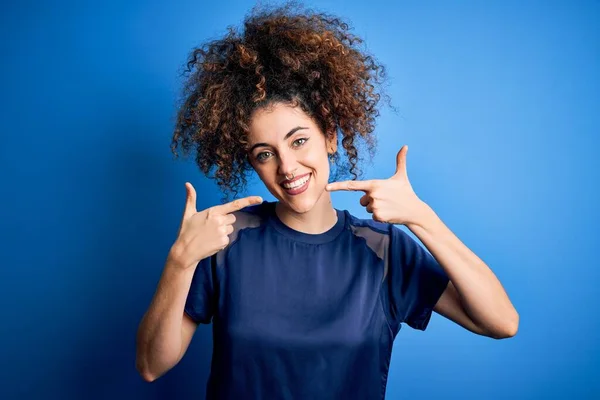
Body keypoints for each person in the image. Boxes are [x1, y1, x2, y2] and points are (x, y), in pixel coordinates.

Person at [135, 2, 519, 399]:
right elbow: (151, 365)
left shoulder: (383, 250)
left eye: (299, 140)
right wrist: (180, 261)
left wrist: (423, 220)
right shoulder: (224, 243)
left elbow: (501, 322)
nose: (287, 167)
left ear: (330, 135)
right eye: (264, 154)